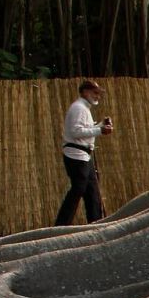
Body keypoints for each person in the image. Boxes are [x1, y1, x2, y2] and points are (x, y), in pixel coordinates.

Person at [56, 80, 114, 225]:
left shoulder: (83, 108)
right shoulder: (79, 108)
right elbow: (76, 132)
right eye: (95, 93)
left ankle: (95, 222)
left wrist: (101, 125)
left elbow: (85, 129)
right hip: (76, 154)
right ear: (85, 92)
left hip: (83, 155)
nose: (97, 96)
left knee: (91, 190)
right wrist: (100, 130)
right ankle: (61, 224)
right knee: (79, 189)